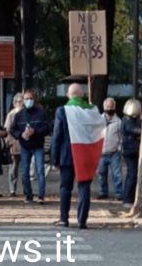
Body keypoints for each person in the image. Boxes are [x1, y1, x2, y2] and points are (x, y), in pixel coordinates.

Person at [51, 83, 105, 229]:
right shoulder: (92, 110)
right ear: (82, 95)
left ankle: (64, 219)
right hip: (85, 154)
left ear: (68, 95)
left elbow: (57, 136)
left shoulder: (62, 111)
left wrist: (54, 158)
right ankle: (82, 221)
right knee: (84, 187)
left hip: (67, 154)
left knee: (65, 187)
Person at [10, 89, 49, 204]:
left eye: (31, 98)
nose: (29, 101)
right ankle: (28, 195)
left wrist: (35, 131)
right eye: (26, 99)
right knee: (25, 172)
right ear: (23, 100)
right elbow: (13, 129)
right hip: (25, 146)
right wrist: (20, 135)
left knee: (40, 171)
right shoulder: (19, 115)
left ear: (35, 99)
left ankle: (41, 195)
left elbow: (47, 128)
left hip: (38, 145)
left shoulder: (41, 113)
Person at [96, 97, 123, 200]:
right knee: (101, 174)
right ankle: (103, 192)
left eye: (111, 106)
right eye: (107, 106)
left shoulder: (119, 122)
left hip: (114, 153)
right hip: (101, 152)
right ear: (104, 107)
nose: (109, 108)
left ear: (114, 107)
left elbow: (121, 137)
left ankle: (119, 193)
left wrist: (119, 149)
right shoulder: (99, 120)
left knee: (117, 175)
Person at [120, 98, 142, 208]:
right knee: (132, 174)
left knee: (133, 174)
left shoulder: (134, 120)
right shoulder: (127, 120)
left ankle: (131, 198)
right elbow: (135, 130)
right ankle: (127, 199)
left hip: (133, 150)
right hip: (130, 151)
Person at [4, 93, 24, 196]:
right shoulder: (11, 115)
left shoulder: (25, 113)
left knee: (25, 168)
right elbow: (7, 130)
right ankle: (12, 189)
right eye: (19, 102)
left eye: (22, 101)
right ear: (15, 103)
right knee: (13, 169)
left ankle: (26, 189)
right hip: (15, 145)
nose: (21, 104)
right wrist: (10, 143)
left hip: (25, 145)